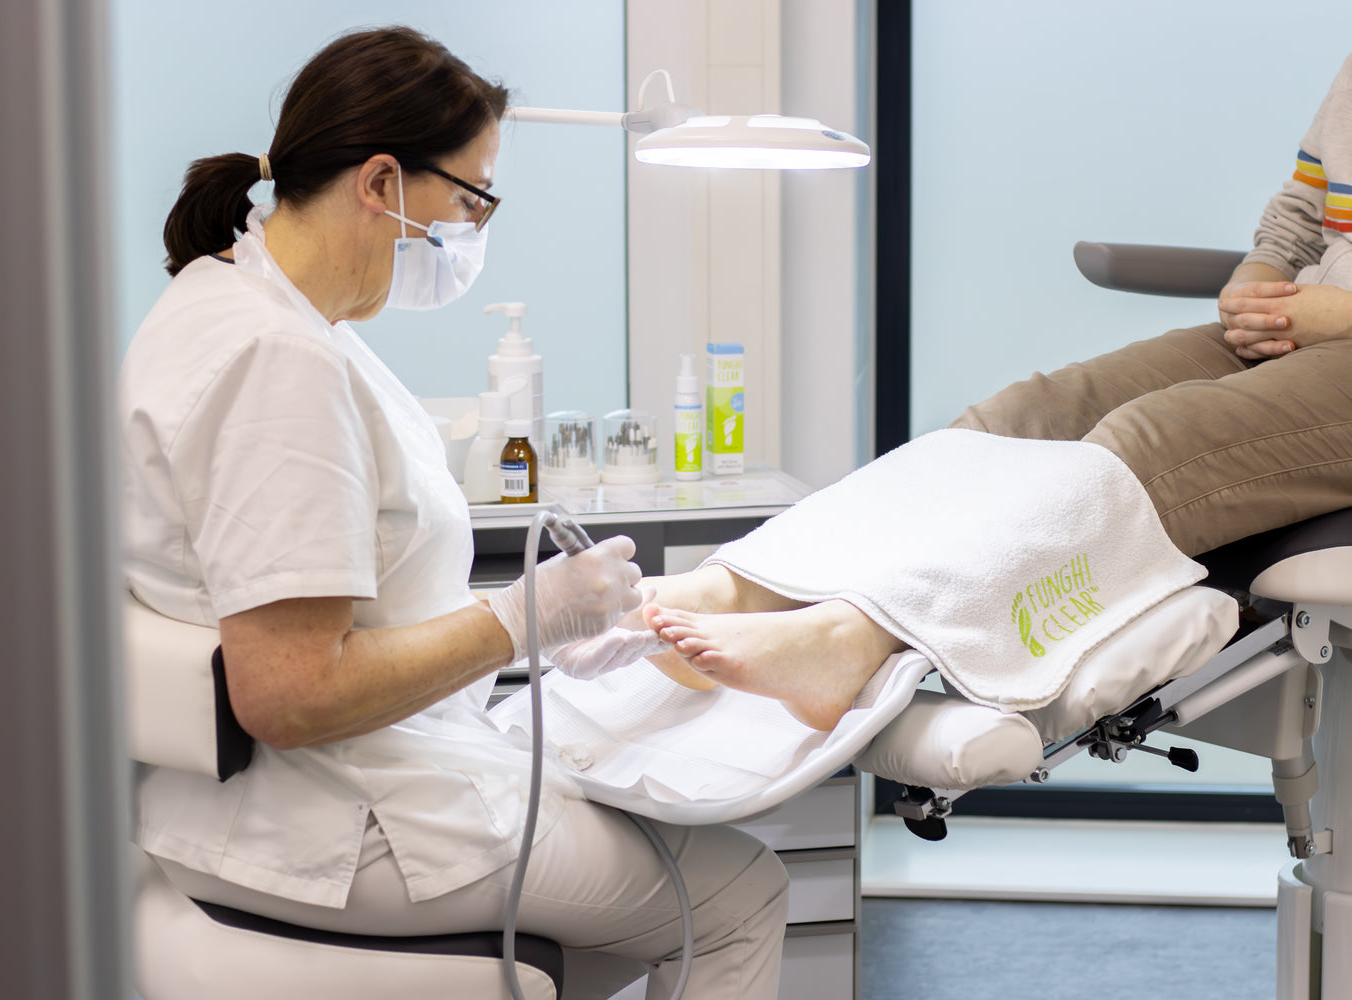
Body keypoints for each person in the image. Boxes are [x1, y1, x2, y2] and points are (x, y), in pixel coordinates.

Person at [120, 27, 788, 999]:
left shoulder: (234, 302)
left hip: (273, 805)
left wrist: (543, 637)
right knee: (739, 896)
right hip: (344, 826)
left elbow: (350, 606)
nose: (477, 225)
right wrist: (522, 616)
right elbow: (290, 693)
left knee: (615, 931)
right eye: (473, 197)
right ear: (383, 183)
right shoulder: (280, 363)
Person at [555, 52, 1352, 731]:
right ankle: (748, 583)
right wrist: (1259, 280)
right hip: (1299, 324)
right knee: (1020, 420)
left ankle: (848, 640)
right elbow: (1306, 208)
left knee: (1153, 444)